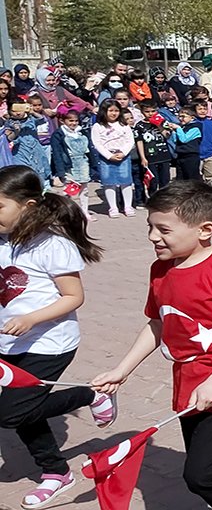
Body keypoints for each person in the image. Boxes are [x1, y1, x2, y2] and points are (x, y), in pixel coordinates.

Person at [91, 182, 212, 510]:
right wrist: (121, 371)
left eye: (163, 229)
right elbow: (157, 324)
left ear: (205, 229)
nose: (153, 237)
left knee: (202, 476)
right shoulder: (160, 270)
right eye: (150, 227)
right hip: (187, 380)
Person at [0, 166, 110, 509]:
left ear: (28, 206)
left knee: (11, 413)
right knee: (23, 412)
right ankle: (56, 472)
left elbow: (73, 297)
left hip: (50, 344)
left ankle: (88, 394)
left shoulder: (53, 245)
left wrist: (31, 318)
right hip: (9, 343)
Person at [91, 100, 136, 218]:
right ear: (104, 111)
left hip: (123, 156)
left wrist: (123, 152)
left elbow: (130, 141)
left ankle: (128, 206)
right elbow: (97, 143)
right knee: (108, 183)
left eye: (116, 111)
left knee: (126, 182)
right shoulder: (98, 126)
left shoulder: (124, 125)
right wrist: (109, 156)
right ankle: (113, 207)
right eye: (110, 111)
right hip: (107, 158)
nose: (114, 113)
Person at [135, 100, 174, 197]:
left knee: (165, 179)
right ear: (142, 112)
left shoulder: (161, 122)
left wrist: (159, 125)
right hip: (150, 156)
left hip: (163, 154)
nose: (150, 114)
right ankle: (152, 198)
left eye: (153, 111)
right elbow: (139, 141)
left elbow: (167, 135)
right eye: (147, 111)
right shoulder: (139, 125)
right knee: (153, 180)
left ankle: (164, 199)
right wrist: (143, 157)